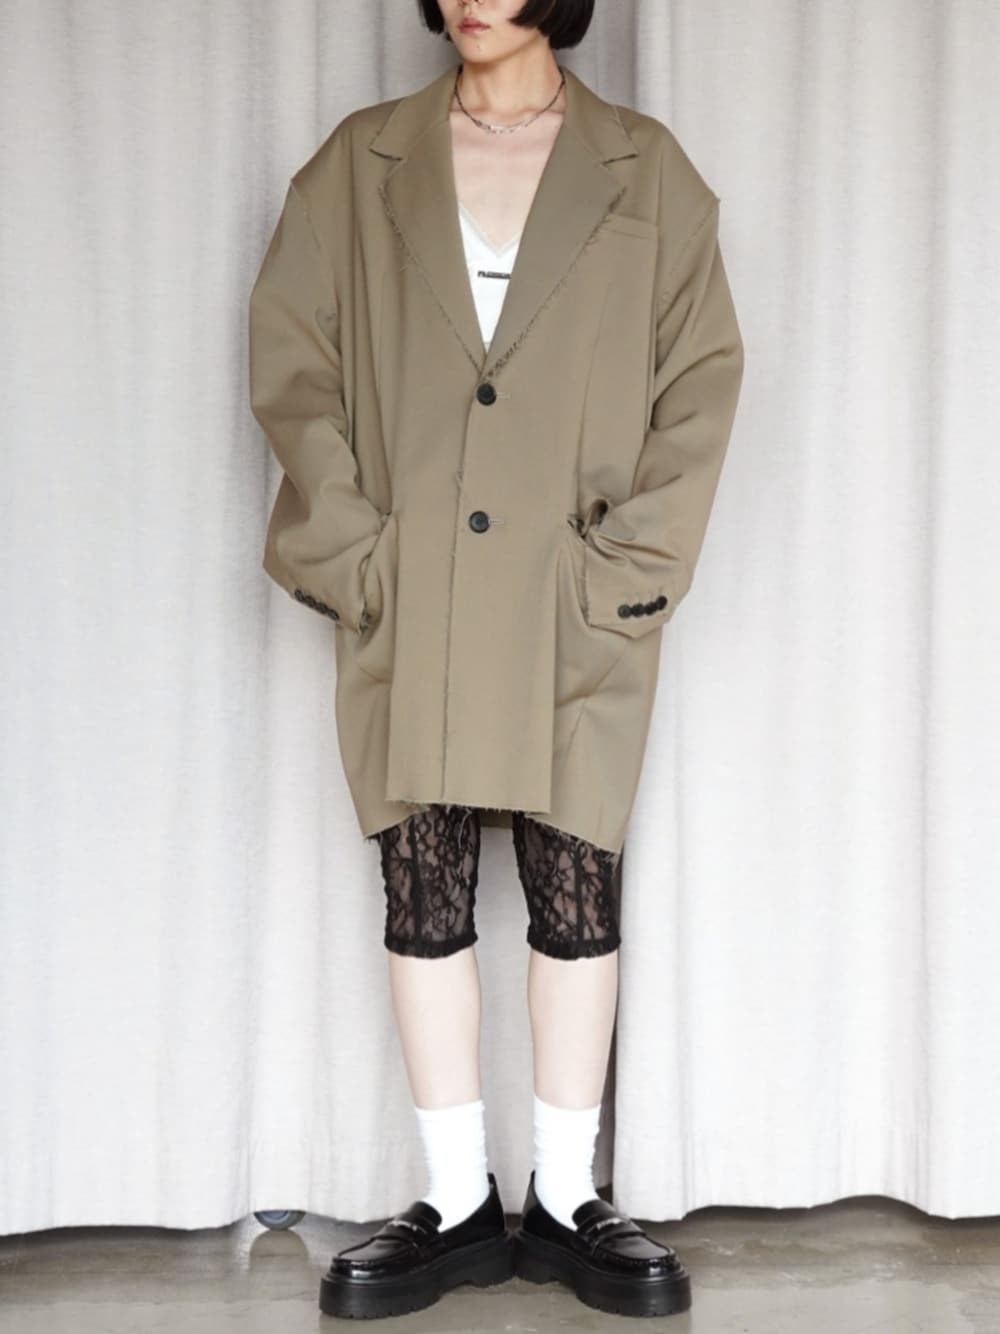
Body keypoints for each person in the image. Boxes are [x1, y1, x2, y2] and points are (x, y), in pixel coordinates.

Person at [248, 0, 744, 1320]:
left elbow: (699, 385)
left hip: (571, 595)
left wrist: (624, 572)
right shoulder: (359, 166)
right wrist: (359, 555)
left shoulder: (646, 171)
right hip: (415, 590)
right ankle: (456, 1198)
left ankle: (571, 1199)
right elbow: (293, 361)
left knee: (577, 883)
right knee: (423, 884)